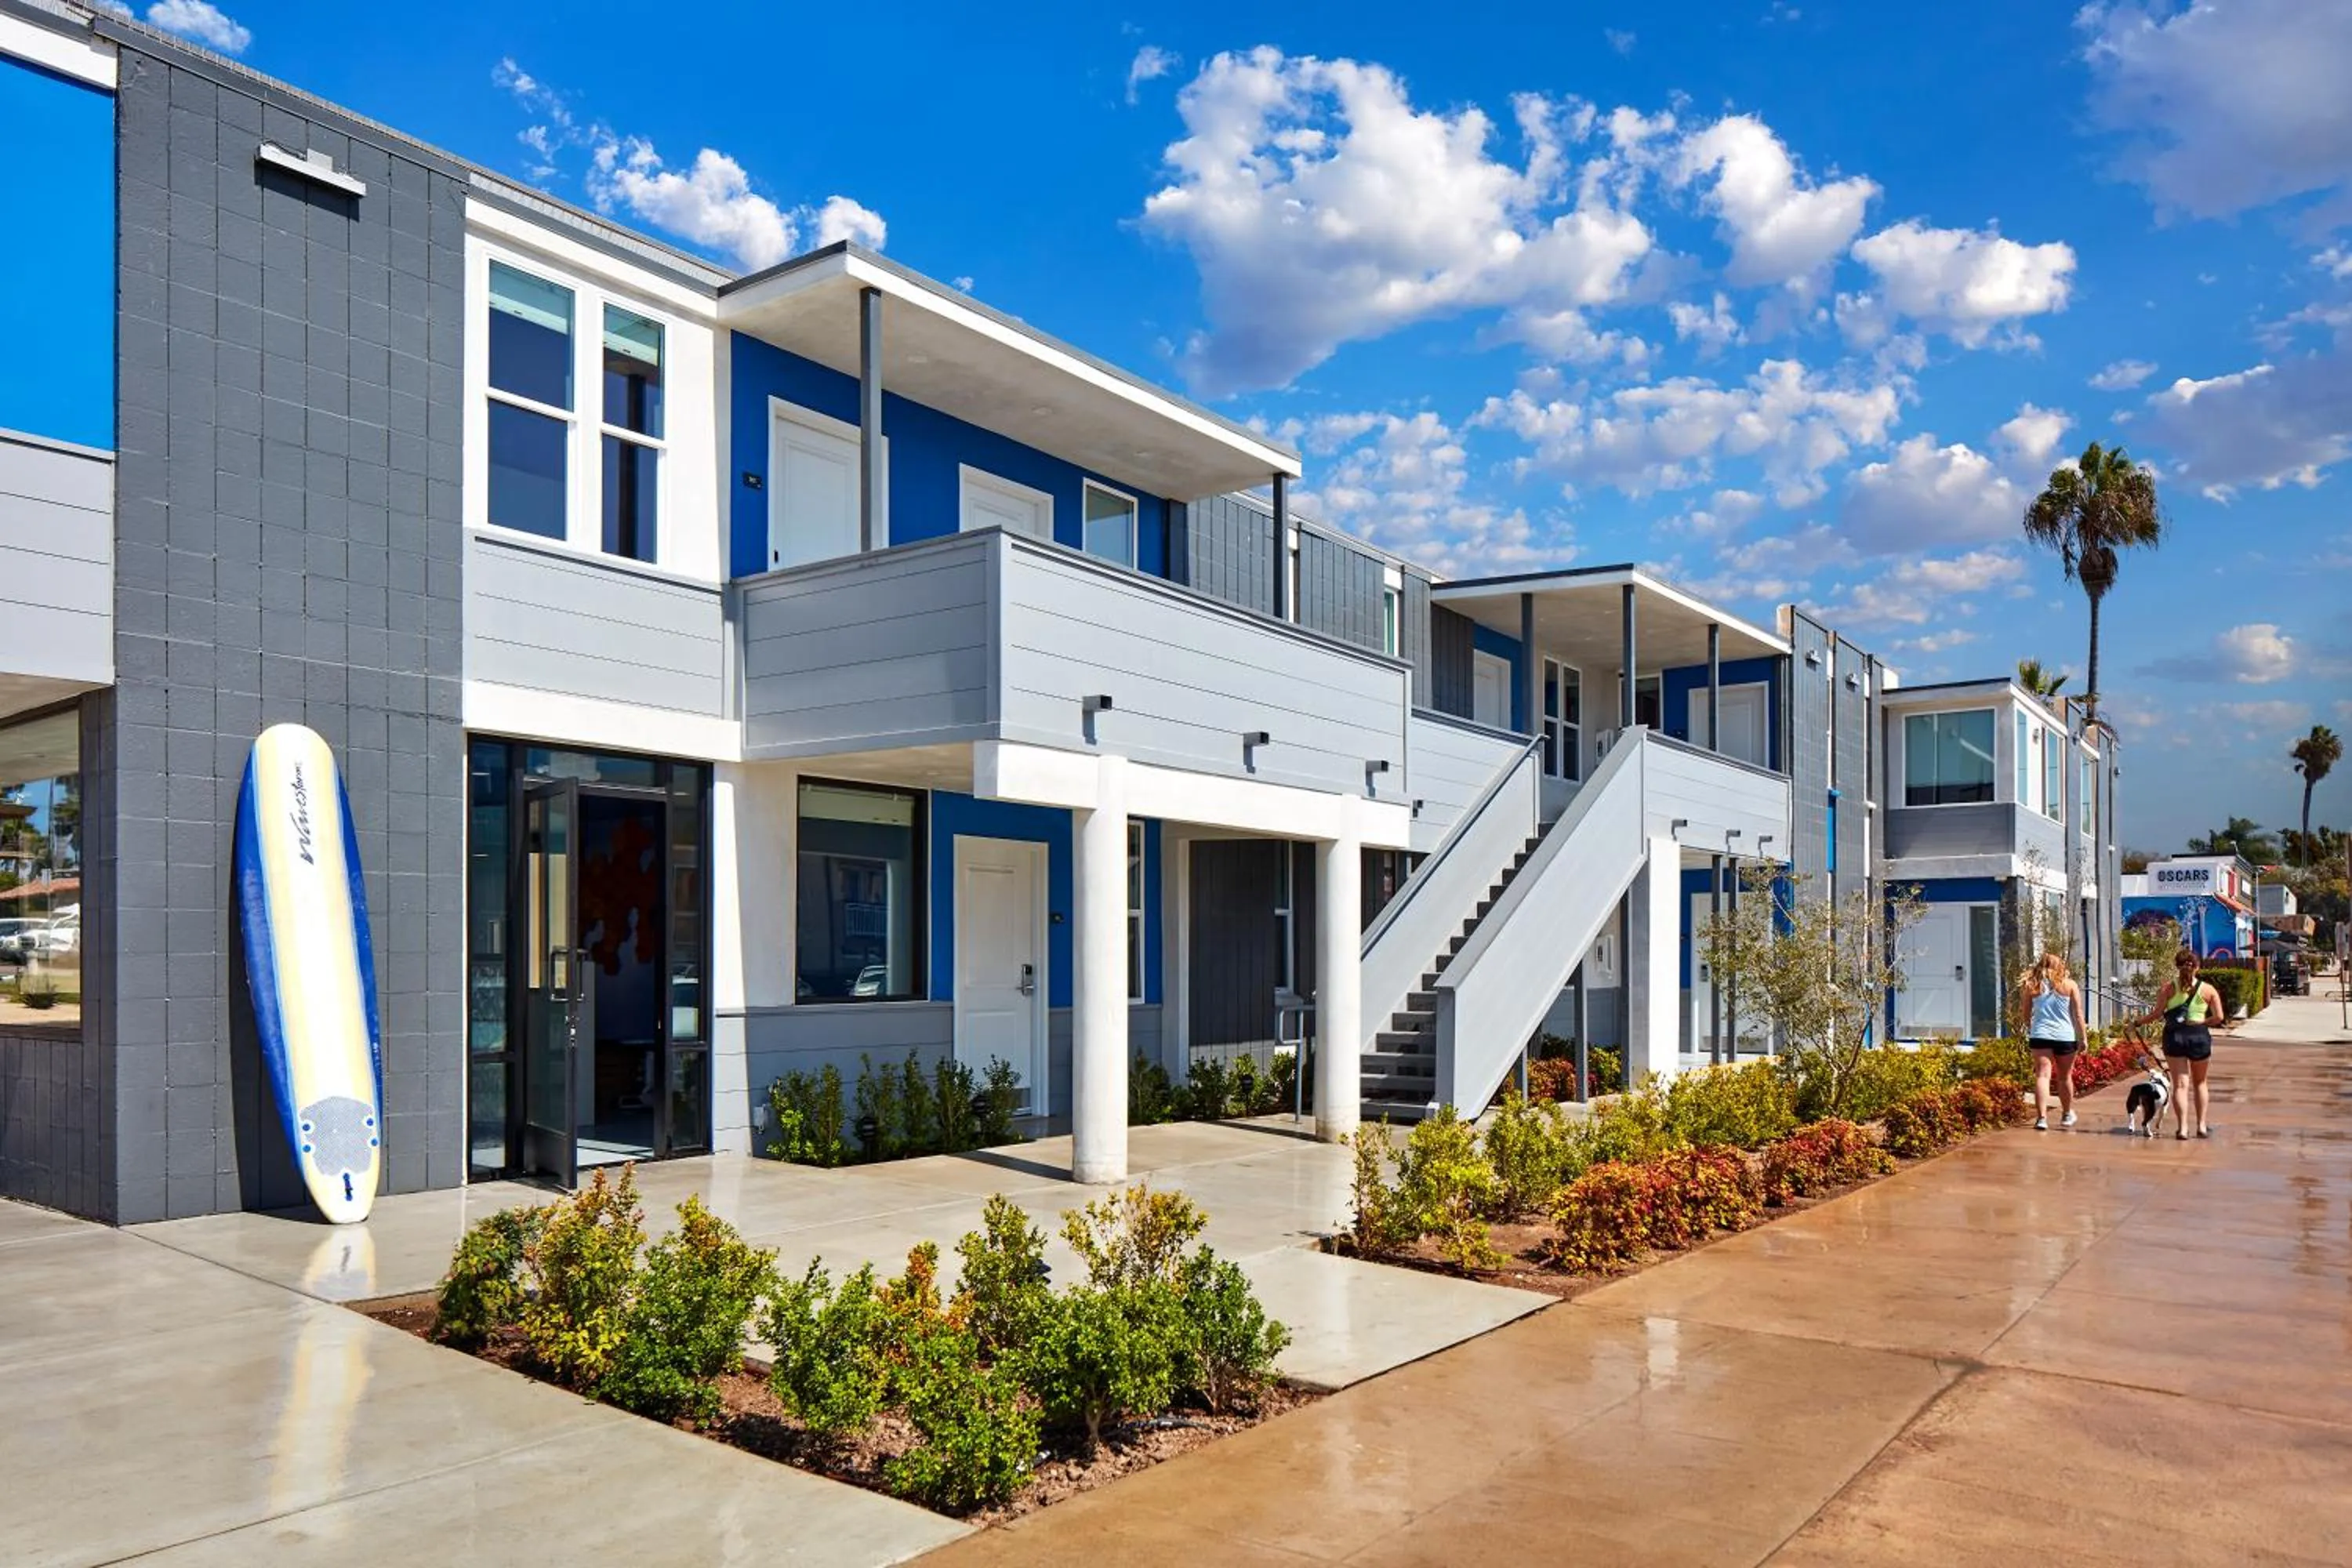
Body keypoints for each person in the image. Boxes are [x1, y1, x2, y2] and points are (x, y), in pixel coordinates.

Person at [2133, 948, 2223, 1140]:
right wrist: (2202, 1022)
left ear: (2177, 967)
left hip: (2174, 1037)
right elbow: (2219, 1017)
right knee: (2200, 1083)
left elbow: (2157, 1014)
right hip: (2198, 1037)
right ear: (2197, 967)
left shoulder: (2168, 988)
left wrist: (2138, 1023)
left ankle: (2182, 1128)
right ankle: (2201, 1126)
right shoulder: (2208, 990)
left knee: (2180, 1085)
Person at [2015, 950, 2089, 1131]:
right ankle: (2066, 1114)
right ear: (2059, 966)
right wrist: (2083, 1038)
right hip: (2065, 1037)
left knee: (2042, 1075)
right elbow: (2078, 1014)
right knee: (2064, 1077)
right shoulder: (2070, 985)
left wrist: (2031, 1027)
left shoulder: (2032, 985)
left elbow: (2025, 1013)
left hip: (2040, 1035)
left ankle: (2041, 1118)